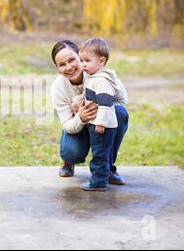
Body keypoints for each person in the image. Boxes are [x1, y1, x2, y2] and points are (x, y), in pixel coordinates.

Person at [50, 39, 128, 188]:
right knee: (71, 152)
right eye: (62, 64)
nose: (69, 67)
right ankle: (68, 162)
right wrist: (80, 117)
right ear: (57, 68)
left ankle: (107, 169)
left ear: (80, 57)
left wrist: (99, 110)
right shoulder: (57, 88)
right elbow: (67, 123)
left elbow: (122, 102)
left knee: (119, 113)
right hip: (77, 124)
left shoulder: (101, 75)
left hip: (101, 122)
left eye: (72, 60)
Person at [77, 38, 127, 191]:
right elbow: (90, 96)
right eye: (81, 60)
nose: (83, 64)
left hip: (102, 125)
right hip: (97, 123)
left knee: (99, 154)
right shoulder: (94, 78)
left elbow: (105, 104)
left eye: (87, 60)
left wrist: (101, 122)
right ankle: (101, 178)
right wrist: (77, 101)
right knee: (99, 152)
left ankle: (98, 182)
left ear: (101, 61)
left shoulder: (102, 81)